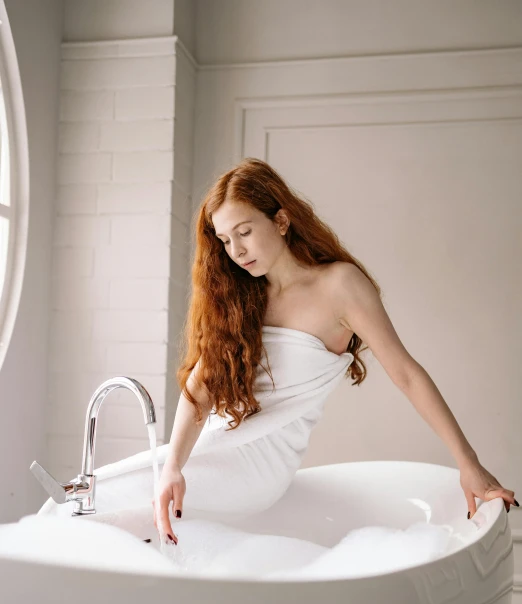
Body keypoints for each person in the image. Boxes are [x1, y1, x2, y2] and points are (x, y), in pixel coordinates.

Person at [152, 158, 518, 545]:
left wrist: (468, 463)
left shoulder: (339, 286)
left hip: (259, 469)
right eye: (225, 240)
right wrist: (174, 464)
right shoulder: (243, 297)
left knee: (132, 501)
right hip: (219, 446)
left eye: (244, 232)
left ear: (280, 221)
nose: (236, 250)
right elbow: (202, 385)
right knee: (134, 487)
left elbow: (406, 374)